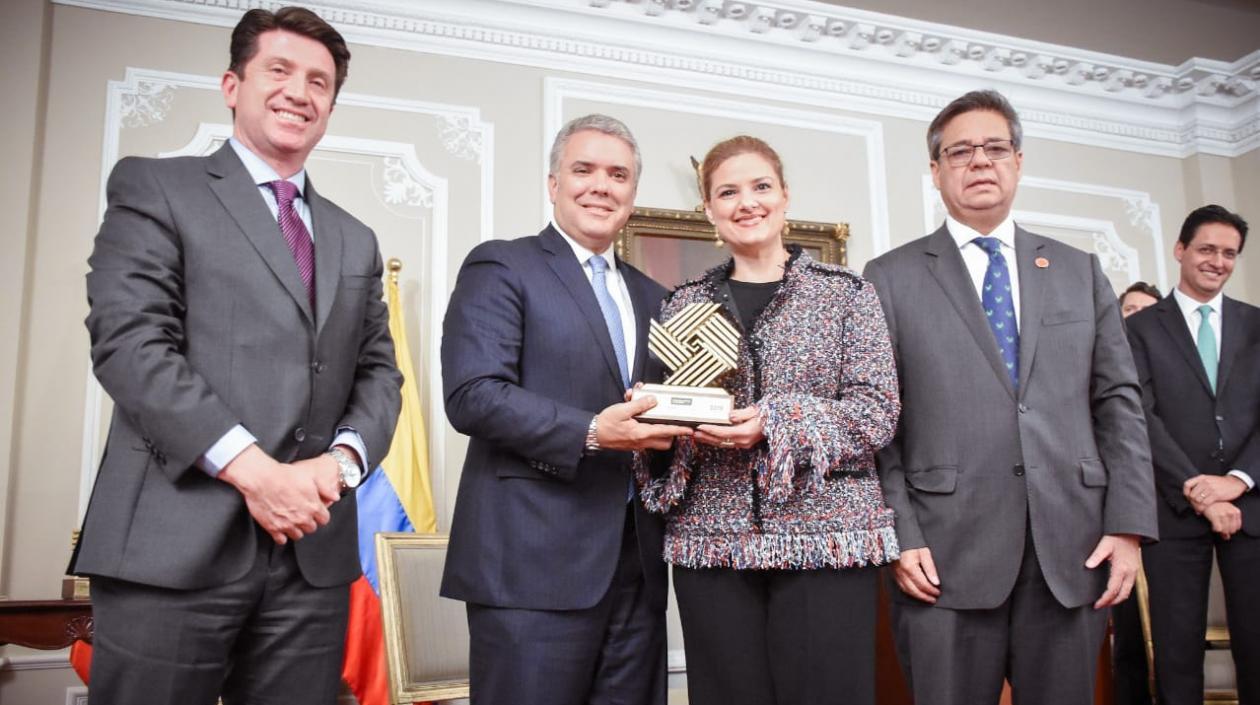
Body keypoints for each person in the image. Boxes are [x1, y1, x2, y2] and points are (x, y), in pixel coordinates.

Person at [71, 7, 402, 704]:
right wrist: (257, 474)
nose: (299, 92)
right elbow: (130, 344)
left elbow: (379, 374)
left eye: (319, 81)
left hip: (312, 560)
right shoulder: (156, 188)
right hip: (171, 546)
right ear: (232, 84)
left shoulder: (356, 238)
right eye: (278, 71)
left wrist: (337, 470)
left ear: (331, 106)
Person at [862, 89, 1158, 705]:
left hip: (1072, 548)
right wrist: (900, 533)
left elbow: (1119, 403)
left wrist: (1128, 527)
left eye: (995, 149)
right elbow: (879, 423)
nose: (979, 162)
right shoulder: (889, 277)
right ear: (936, 170)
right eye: (960, 151)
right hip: (941, 555)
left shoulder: (1080, 270)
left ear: (1018, 162)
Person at [637, 135, 900, 705]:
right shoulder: (683, 303)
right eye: (727, 191)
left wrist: (774, 422)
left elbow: (876, 413)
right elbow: (667, 432)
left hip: (827, 538)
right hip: (713, 541)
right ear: (708, 209)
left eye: (760, 186)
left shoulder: (848, 297)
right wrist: (661, 420)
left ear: (784, 197)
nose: (746, 202)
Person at [439, 114, 692, 705]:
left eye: (618, 174)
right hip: (530, 567)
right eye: (584, 170)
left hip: (639, 570)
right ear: (554, 183)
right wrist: (591, 432)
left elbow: (666, 412)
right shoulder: (502, 265)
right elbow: (472, 393)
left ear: (632, 193)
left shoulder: (657, 298)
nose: (601, 185)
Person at [1125, 204, 1259, 705]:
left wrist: (1239, 481)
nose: (1217, 261)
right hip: (1174, 509)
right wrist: (1199, 489)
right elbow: (1140, 416)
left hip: (1252, 507)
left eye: (1229, 254)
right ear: (1180, 250)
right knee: (1177, 655)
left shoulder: (1257, 324)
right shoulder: (1139, 329)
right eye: (1207, 249)